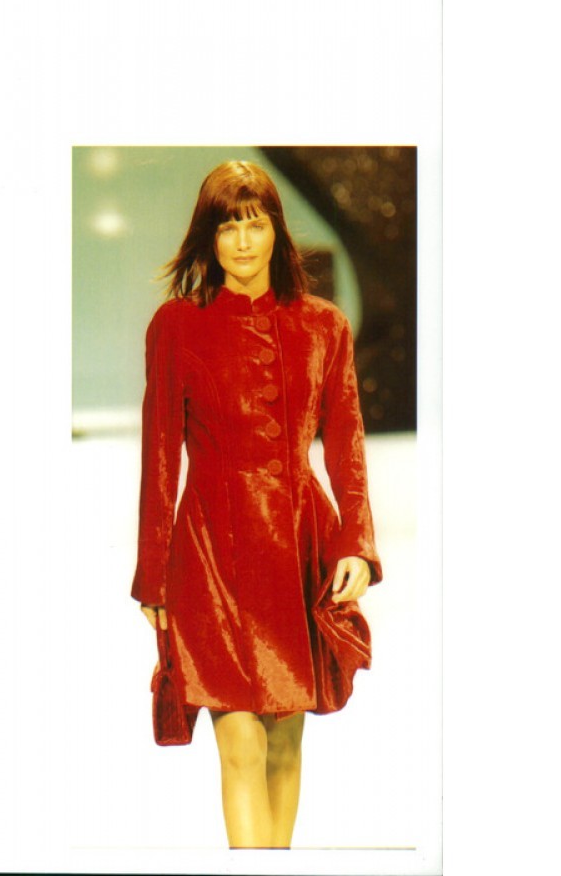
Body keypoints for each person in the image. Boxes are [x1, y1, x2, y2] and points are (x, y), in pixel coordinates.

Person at [132, 160, 382, 849]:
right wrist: (154, 575)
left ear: (277, 231)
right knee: (240, 744)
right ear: (207, 238)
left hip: (297, 546)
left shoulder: (324, 327)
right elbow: (160, 457)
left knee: (283, 746)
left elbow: (347, 446)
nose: (242, 241)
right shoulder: (178, 326)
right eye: (226, 227)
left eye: (254, 223)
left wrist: (357, 545)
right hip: (210, 551)